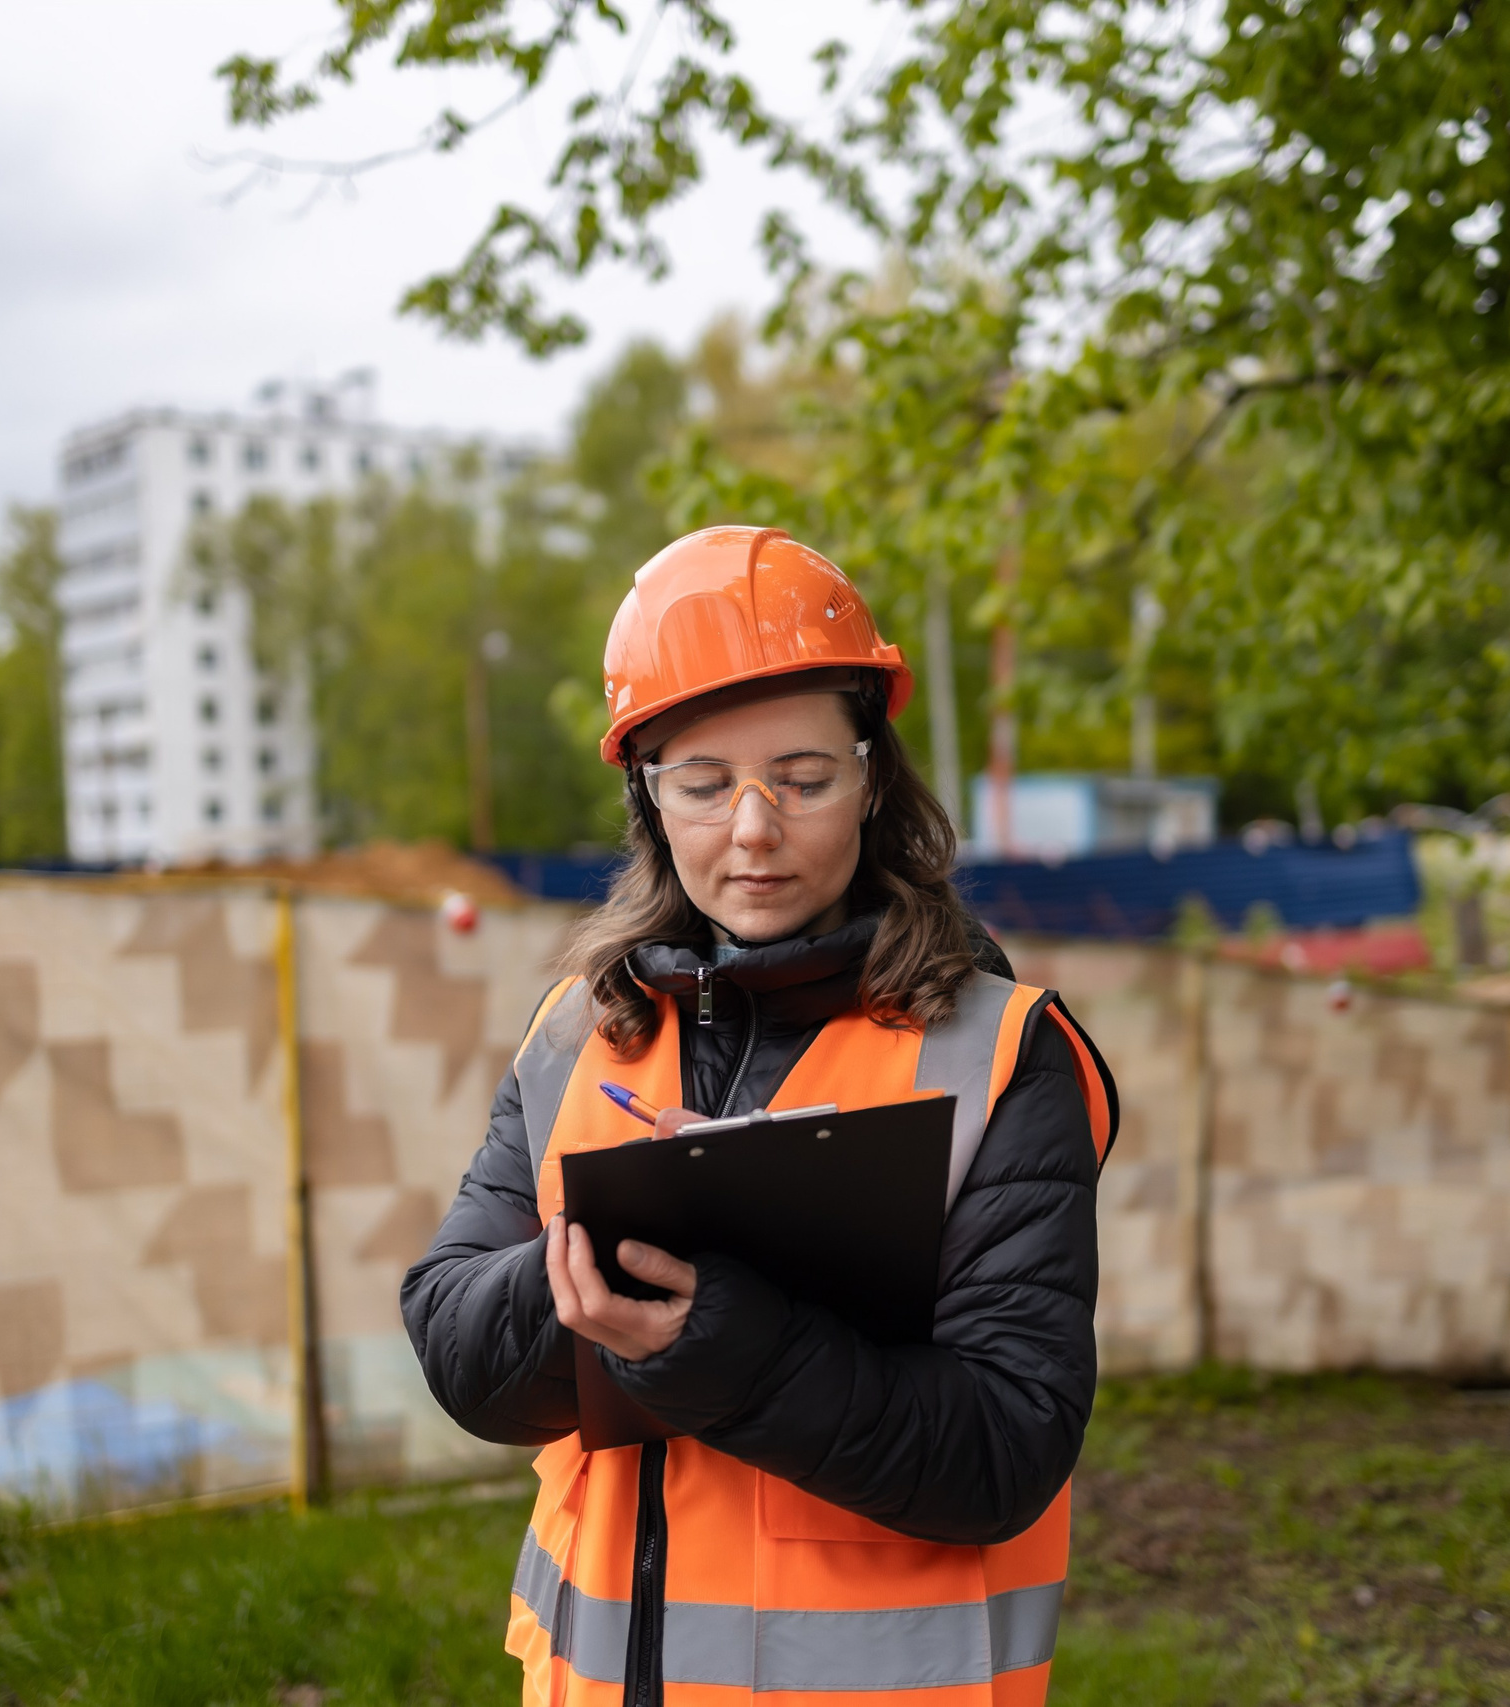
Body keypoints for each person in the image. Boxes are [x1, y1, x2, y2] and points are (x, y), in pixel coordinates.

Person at [402, 525, 1116, 1706]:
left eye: (801, 778)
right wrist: (582, 1282)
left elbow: (1005, 1447)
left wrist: (717, 1343)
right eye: (703, 784)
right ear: (647, 794)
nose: (752, 829)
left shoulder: (999, 1056)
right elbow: (456, 1348)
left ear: (871, 776)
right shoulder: (577, 1033)